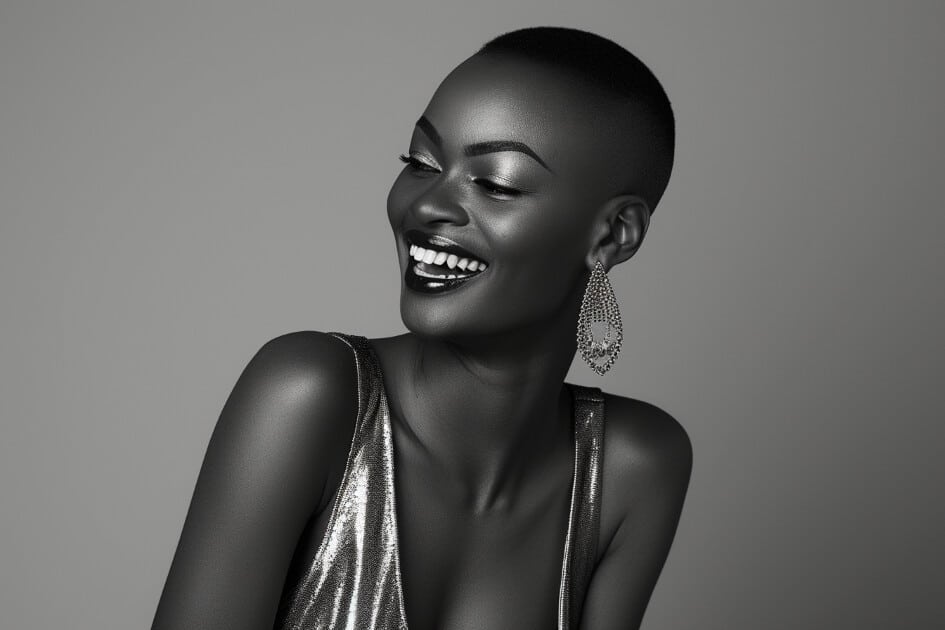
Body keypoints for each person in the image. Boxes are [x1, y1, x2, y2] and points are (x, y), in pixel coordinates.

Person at [152, 26, 692, 630]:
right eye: (421, 162)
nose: (426, 205)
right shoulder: (308, 397)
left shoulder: (633, 468)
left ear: (614, 235)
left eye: (496, 184)